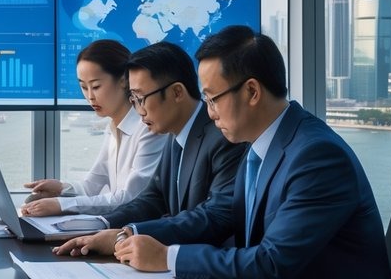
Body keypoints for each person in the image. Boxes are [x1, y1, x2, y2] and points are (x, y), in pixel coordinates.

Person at [96, 26, 391, 279]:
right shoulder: (260, 145)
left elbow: (273, 262)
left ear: (252, 92)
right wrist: (131, 234)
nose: (209, 112)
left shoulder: (317, 156)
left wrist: (169, 258)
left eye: (212, 98)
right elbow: (220, 216)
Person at [52, 40, 246, 256]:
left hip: (211, 268)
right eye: (133, 99)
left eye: (141, 98)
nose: (138, 110)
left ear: (177, 93)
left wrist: (127, 234)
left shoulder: (223, 137)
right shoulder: (174, 132)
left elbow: (213, 218)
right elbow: (153, 199)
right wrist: (101, 225)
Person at [20, 39, 166, 216]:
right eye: (83, 86)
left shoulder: (148, 128)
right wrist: (60, 188)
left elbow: (130, 197)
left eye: (96, 86)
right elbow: (92, 184)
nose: (90, 97)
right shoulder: (112, 127)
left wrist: (62, 205)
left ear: (123, 81)